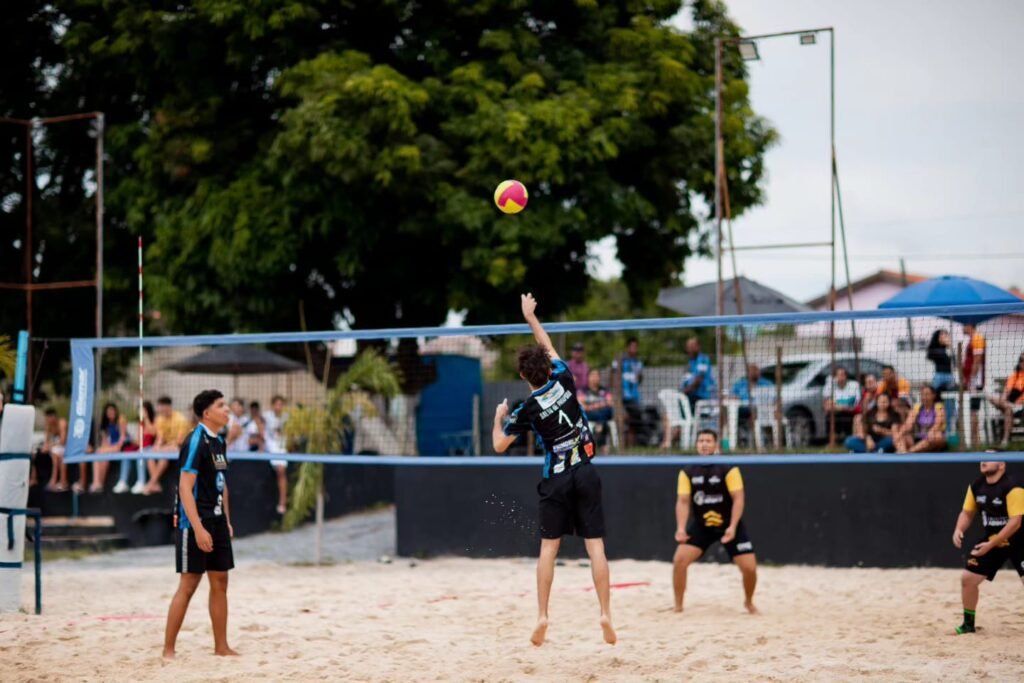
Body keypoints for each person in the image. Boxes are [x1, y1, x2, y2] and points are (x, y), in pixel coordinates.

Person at [492, 293, 615, 647]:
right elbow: (546, 344)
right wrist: (531, 318)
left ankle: (543, 616)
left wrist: (498, 417)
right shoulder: (563, 377)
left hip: (556, 479)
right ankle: (605, 613)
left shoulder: (527, 409)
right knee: (596, 547)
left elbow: (499, 445)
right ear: (548, 366)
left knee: (549, 549)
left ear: (522, 375)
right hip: (585, 471)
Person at [162, 389, 237, 659]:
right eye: (221, 405)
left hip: (216, 521)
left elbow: (221, 483)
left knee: (220, 581)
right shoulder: (196, 440)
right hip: (194, 522)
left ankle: (221, 647)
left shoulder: (219, 441)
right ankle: (168, 650)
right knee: (189, 583)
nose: (227, 409)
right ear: (207, 413)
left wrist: (226, 520)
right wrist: (198, 528)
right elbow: (185, 487)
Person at [672, 429, 758, 615]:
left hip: (728, 525)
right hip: (702, 525)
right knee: (679, 560)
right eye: (701, 441)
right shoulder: (687, 471)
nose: (704, 444)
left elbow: (738, 499)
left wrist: (733, 526)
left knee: (749, 568)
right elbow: (683, 501)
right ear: (696, 445)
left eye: (708, 441)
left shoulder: (728, 469)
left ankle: (749, 602)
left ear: (716, 445)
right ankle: (678, 606)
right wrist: (680, 528)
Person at [950, 458, 1023, 635]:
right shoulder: (976, 486)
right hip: (993, 540)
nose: (983, 461)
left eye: (990, 458)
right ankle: (968, 625)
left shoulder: (1013, 487)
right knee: (968, 579)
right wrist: (959, 529)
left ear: (1002, 465)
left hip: (1020, 540)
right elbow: (967, 513)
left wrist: (991, 544)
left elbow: (1015, 523)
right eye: (982, 457)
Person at [146, 396, 191, 495]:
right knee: (150, 456)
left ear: (168, 407)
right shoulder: (160, 419)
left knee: (166, 453)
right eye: (159, 409)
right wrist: (157, 446)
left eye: (162, 409)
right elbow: (160, 437)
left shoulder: (180, 419)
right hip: (167, 447)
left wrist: (162, 448)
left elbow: (179, 441)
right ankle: (155, 484)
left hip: (181, 446)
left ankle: (151, 483)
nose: (160, 411)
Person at [114, 401, 154, 494]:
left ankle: (141, 481)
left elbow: (153, 432)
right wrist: (130, 440)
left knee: (140, 454)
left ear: (148, 411)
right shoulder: (140, 424)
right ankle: (123, 481)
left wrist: (146, 418)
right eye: (139, 410)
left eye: (143, 410)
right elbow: (139, 441)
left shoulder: (153, 421)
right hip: (141, 447)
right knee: (126, 453)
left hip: (150, 448)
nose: (140, 412)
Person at [895, 385, 947, 453]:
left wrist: (931, 433)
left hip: (933, 438)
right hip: (919, 438)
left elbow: (937, 424)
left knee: (937, 436)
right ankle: (903, 452)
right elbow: (908, 425)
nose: (924, 397)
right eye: (922, 394)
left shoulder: (939, 407)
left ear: (933, 395)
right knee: (900, 434)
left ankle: (909, 452)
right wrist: (899, 434)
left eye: (927, 394)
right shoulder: (916, 407)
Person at [613, 337, 643, 446]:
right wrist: (616, 391)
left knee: (635, 420)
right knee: (621, 418)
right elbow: (613, 375)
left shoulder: (638, 362)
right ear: (628, 347)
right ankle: (622, 443)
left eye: (636, 346)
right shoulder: (621, 360)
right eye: (632, 346)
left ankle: (631, 444)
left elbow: (640, 378)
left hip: (634, 396)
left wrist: (639, 377)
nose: (634, 348)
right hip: (622, 395)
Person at [92, 403, 128, 493]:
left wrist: (112, 448)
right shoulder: (105, 425)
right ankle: (98, 483)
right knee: (102, 458)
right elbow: (105, 442)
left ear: (115, 411)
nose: (111, 413)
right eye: (108, 412)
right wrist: (106, 449)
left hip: (120, 447)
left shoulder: (120, 420)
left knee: (98, 452)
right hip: (111, 448)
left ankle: (97, 483)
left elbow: (122, 438)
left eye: (112, 411)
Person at [990, 353, 1024, 446]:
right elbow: (1007, 390)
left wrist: (1017, 403)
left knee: (1008, 410)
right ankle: (1005, 441)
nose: (1022, 363)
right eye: (1021, 360)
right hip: (1008, 404)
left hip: (1020, 406)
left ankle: (1005, 440)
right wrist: (1003, 399)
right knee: (991, 397)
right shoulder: (1014, 375)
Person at [263, 396, 289, 515]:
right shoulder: (266, 416)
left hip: (282, 448)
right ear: (272, 405)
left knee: (281, 470)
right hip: (270, 447)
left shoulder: (287, 417)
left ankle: (282, 502)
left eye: (281, 404)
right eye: (277, 404)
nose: (279, 407)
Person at [578, 369, 614, 452]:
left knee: (607, 411)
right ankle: (603, 444)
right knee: (602, 417)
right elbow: (582, 406)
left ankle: (599, 428)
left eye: (597, 376)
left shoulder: (604, 390)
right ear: (588, 377)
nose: (595, 378)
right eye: (593, 375)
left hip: (602, 413)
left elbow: (610, 403)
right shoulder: (583, 391)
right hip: (590, 415)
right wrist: (599, 405)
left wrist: (591, 406)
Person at [822, 367, 860, 439]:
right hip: (836, 413)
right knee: (829, 416)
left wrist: (836, 405)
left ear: (846, 376)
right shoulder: (830, 386)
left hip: (850, 413)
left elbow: (852, 405)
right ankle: (832, 441)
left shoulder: (854, 385)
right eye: (838, 375)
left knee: (849, 416)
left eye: (842, 374)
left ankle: (850, 438)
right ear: (835, 377)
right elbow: (826, 406)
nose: (840, 377)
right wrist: (843, 405)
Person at [680, 337, 715, 413]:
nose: (689, 349)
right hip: (692, 395)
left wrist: (684, 391)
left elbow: (698, 381)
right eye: (688, 347)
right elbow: (686, 379)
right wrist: (681, 390)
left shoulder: (703, 359)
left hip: (703, 396)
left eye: (692, 346)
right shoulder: (691, 362)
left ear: (698, 347)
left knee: (683, 401)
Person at [38, 408, 69, 492]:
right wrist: (46, 447)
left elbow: (63, 441)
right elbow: (46, 441)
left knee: (58, 454)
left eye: (48, 419)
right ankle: (55, 481)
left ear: (53, 417)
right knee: (54, 453)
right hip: (58, 448)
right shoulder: (48, 426)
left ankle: (60, 481)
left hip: (67, 446)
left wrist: (50, 446)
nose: (47, 421)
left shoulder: (62, 423)